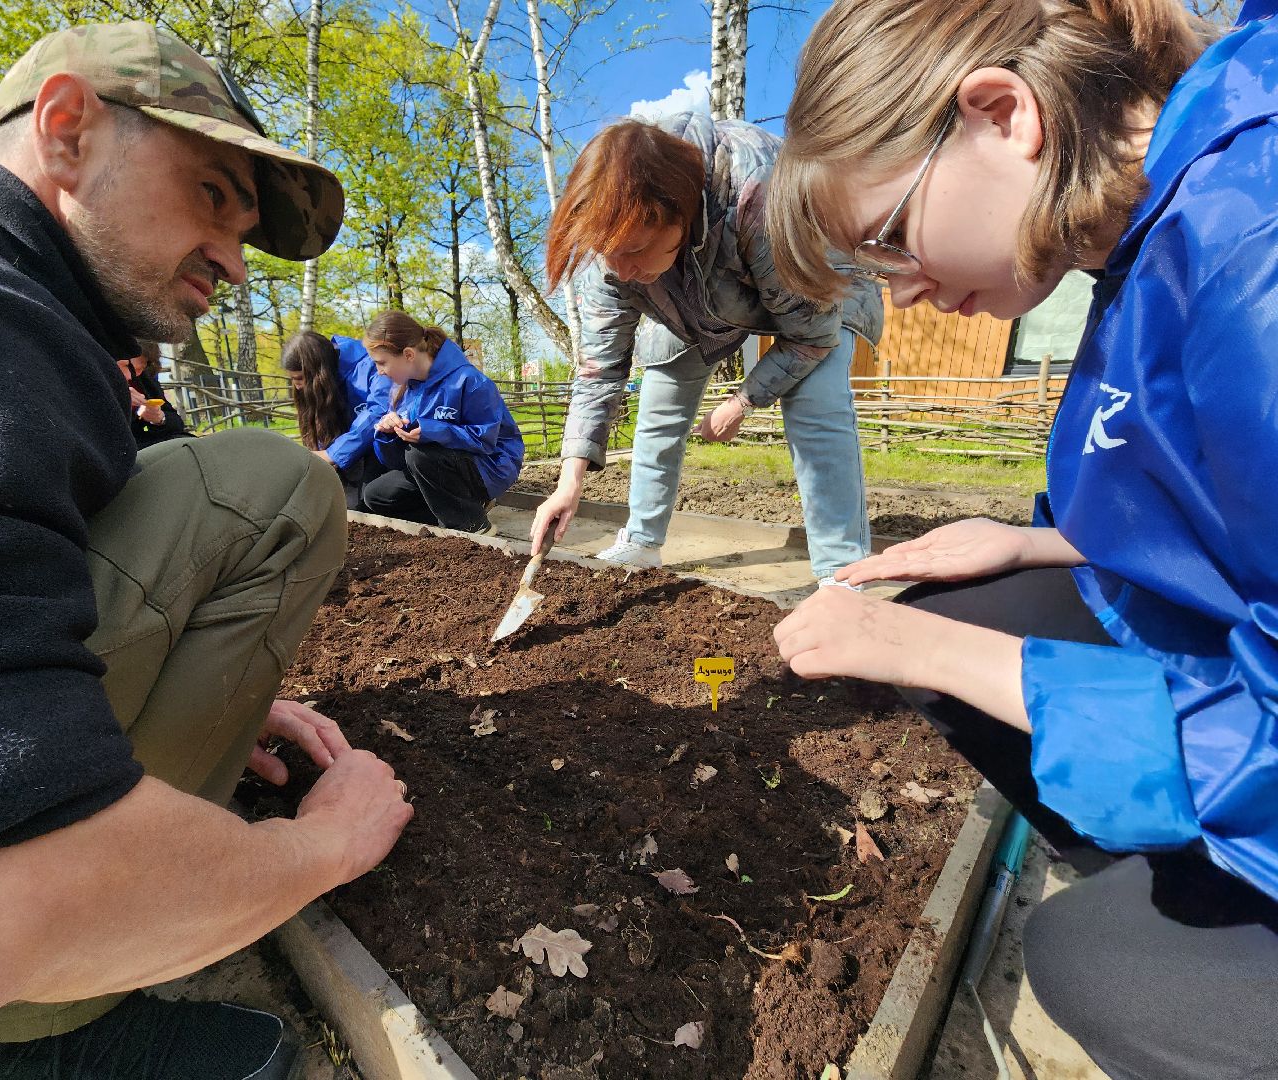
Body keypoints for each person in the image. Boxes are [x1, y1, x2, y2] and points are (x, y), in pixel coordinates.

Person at [0, 22, 413, 1080]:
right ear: (65, 131)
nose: (236, 265)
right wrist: (321, 847)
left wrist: (194, 674)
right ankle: (10, 1052)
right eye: (210, 196)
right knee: (275, 491)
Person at [764, 2, 1278, 1076]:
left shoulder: (1250, 258)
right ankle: (1171, 867)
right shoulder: (1147, 232)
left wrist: (924, 655)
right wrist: (1029, 543)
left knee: (1095, 965)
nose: (900, 291)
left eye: (891, 238)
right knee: (962, 605)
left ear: (1004, 114)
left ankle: (1178, 913)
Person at [528, 113, 883, 582]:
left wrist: (742, 402)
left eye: (634, 250)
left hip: (815, 283)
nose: (622, 269)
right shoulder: (613, 252)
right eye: (611, 255)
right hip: (690, 295)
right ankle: (641, 541)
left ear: (676, 212)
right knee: (660, 400)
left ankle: (842, 573)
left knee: (817, 405)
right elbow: (600, 371)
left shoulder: (759, 195)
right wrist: (568, 481)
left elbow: (811, 336)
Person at [359, 310, 524, 534]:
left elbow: (485, 441)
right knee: (376, 495)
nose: (379, 372)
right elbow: (398, 462)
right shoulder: (405, 389)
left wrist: (431, 431)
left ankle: (474, 525)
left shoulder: (469, 381)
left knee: (420, 454)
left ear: (408, 354)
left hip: (490, 467)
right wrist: (389, 434)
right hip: (433, 468)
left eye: (381, 363)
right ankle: (453, 517)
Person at [280, 329, 389, 509]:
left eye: (299, 378)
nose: (297, 387)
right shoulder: (321, 380)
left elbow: (377, 412)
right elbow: (323, 418)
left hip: (378, 447)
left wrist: (332, 454)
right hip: (345, 450)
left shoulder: (370, 365)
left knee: (367, 503)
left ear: (318, 372)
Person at [118, 340, 191, 450]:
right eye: (129, 367)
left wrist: (159, 418)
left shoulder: (144, 380)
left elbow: (176, 422)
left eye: (141, 368)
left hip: (149, 444)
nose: (132, 375)